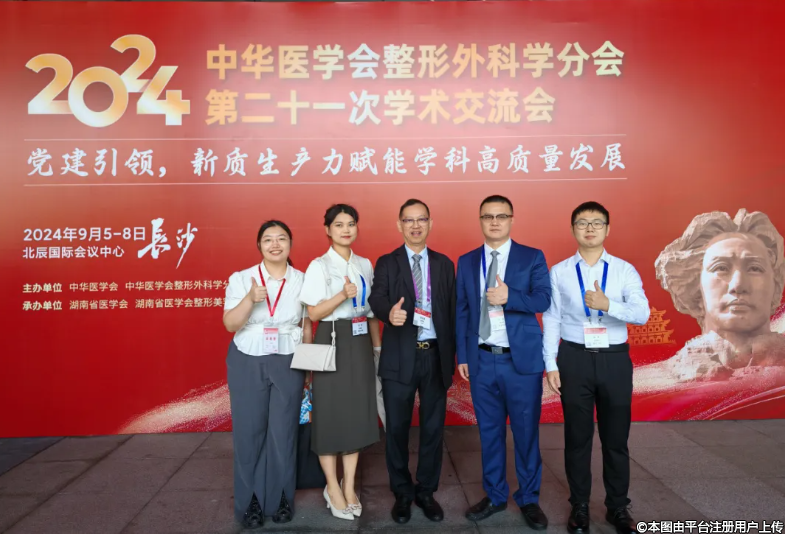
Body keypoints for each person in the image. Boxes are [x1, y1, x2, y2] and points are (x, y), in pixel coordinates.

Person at [542, 201, 650, 534]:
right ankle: (580, 505)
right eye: (582, 222)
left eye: (597, 222)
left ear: (607, 229)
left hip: (614, 359)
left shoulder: (624, 270)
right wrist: (550, 364)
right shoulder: (560, 271)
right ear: (572, 229)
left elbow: (642, 313)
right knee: (577, 437)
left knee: (616, 438)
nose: (589, 228)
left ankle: (618, 507)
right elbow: (552, 318)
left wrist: (608, 305)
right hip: (574, 358)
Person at [455, 194, 551, 529]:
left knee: (525, 433)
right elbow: (462, 310)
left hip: (520, 362)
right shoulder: (467, 261)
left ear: (512, 219)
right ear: (480, 221)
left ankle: (529, 498)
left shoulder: (531, 256)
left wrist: (511, 297)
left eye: (501, 216)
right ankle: (495, 495)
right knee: (489, 432)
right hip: (482, 360)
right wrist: (463, 354)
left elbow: (543, 299)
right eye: (488, 216)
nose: (494, 222)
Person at [368, 199, 456, 524]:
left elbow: (452, 310)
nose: (415, 226)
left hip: (434, 355)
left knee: (433, 428)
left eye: (421, 220)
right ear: (399, 225)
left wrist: (455, 355)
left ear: (430, 223)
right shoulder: (387, 262)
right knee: (397, 429)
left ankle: (426, 492)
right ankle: (403, 493)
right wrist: (387, 313)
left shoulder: (444, 264)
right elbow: (376, 297)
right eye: (409, 220)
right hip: (399, 357)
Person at [222, 220, 312, 529]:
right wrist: (250, 299)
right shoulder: (241, 278)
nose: (275, 244)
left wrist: (308, 365)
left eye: (281, 238)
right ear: (259, 245)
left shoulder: (302, 280)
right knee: (249, 432)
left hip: (289, 358)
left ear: (290, 244)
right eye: (268, 239)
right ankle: (251, 502)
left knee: (284, 431)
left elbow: (307, 324)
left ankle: (282, 498)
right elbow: (230, 324)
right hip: (248, 357)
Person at [299, 204, 381, 521]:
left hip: (359, 341)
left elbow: (371, 313)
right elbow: (313, 313)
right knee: (330, 413)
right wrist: (341, 296)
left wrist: (377, 349)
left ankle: (349, 485)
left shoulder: (364, 264)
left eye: (351, 224)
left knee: (357, 412)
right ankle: (331, 486)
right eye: (339, 225)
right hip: (331, 338)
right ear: (328, 230)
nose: (346, 230)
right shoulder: (319, 265)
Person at [649, 208, 785, 381]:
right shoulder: (656, 379)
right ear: (694, 285)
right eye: (721, 268)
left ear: (776, 284)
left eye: (754, 268)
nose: (738, 285)